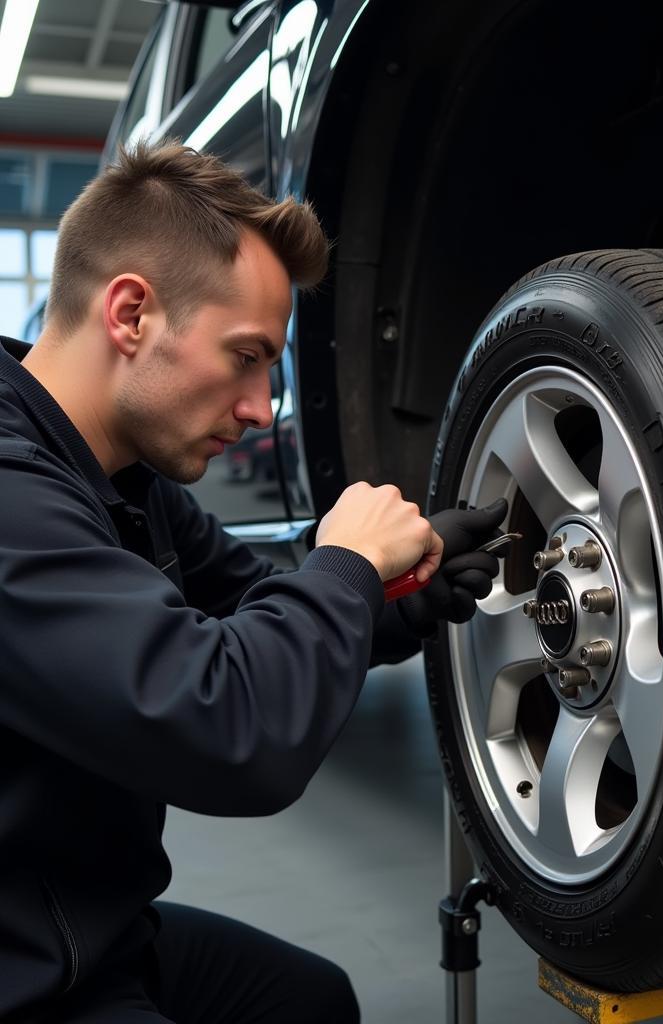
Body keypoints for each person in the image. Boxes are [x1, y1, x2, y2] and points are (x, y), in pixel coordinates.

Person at [0, 141, 507, 1023]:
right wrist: (347, 566)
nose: (260, 405)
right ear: (130, 314)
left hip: (87, 922)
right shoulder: (11, 498)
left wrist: (403, 591)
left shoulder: (122, 476)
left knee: (309, 1002)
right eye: (246, 356)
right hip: (24, 972)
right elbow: (232, 729)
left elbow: (247, 604)